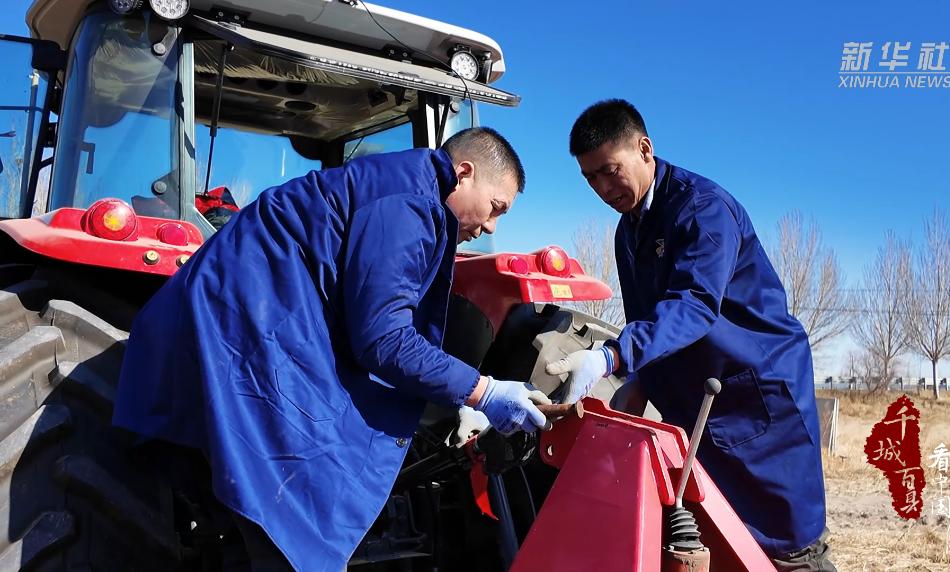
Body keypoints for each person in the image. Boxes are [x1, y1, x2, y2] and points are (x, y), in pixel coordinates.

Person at [113, 127, 550, 571]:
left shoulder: (403, 186)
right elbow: (384, 338)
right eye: (496, 208)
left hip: (246, 325)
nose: (491, 226)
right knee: (292, 523)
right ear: (464, 173)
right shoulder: (408, 202)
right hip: (240, 336)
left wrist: (458, 393)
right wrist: (483, 391)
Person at [547, 100, 835, 571]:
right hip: (696, 402)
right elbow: (647, 315)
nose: (603, 188)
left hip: (754, 394)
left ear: (644, 149)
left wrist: (611, 357)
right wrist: (638, 380)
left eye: (610, 171)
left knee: (788, 546)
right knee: (720, 537)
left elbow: (695, 304)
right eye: (590, 178)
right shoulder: (628, 230)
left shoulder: (702, 209)